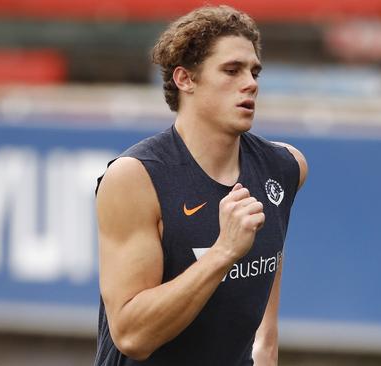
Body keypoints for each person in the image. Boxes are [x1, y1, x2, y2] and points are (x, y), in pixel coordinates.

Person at [94, 5, 308, 366]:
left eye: (254, 71)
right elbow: (132, 336)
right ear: (185, 79)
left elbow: (267, 281)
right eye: (231, 70)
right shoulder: (135, 177)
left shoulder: (285, 167)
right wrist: (223, 253)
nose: (251, 82)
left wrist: (266, 352)